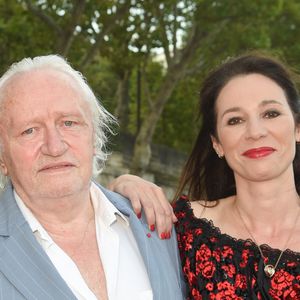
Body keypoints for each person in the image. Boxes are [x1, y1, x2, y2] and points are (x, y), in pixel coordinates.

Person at [110, 53, 300, 299]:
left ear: (297, 127)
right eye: (235, 120)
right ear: (217, 143)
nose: (255, 132)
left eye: (270, 114)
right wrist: (121, 187)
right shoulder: (181, 228)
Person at [0, 55, 186, 300]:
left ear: (94, 138)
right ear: (3, 157)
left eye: (69, 123)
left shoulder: (155, 222)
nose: (54, 147)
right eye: (29, 130)